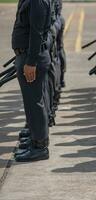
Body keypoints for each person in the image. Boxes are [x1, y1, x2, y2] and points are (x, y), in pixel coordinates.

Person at [12, 0, 52, 162]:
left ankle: (39, 147)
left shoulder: (37, 2)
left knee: (35, 103)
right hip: (27, 55)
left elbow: (37, 33)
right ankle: (35, 141)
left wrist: (31, 62)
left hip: (32, 58)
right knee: (32, 103)